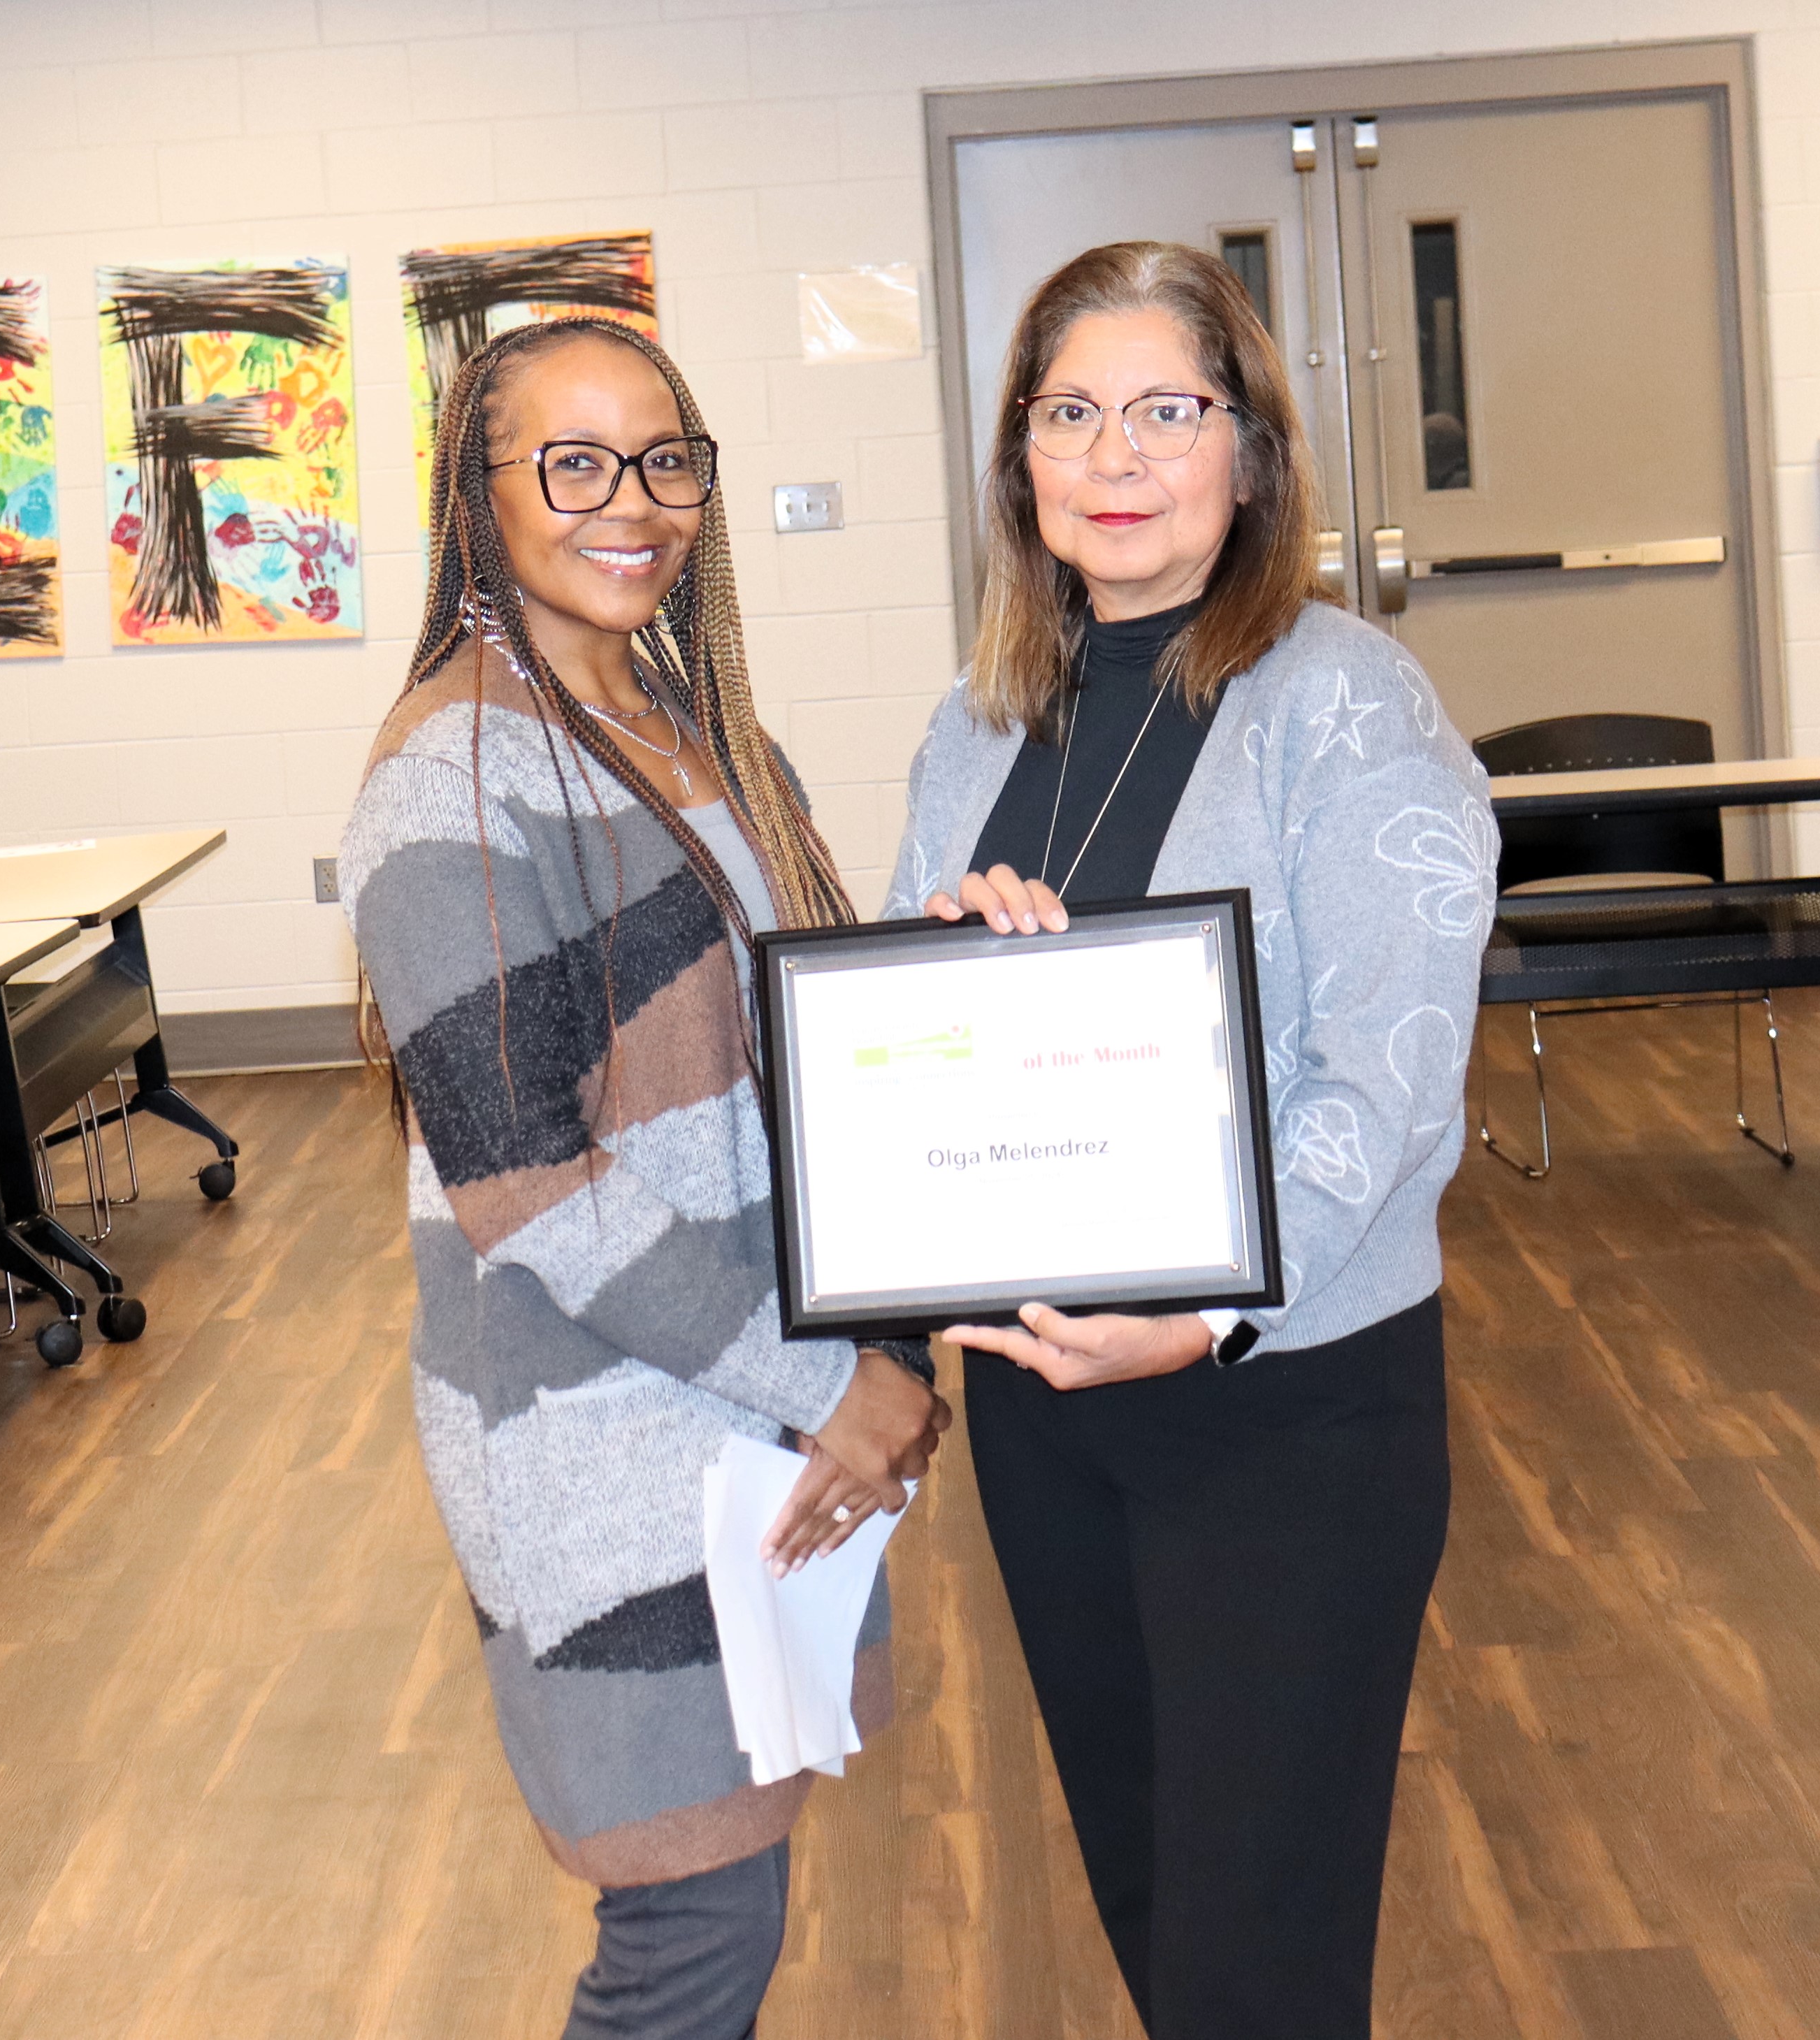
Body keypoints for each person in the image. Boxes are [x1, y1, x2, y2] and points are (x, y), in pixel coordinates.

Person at [883, 242, 1497, 2039]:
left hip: (1285, 1405)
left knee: (1259, 1949)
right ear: (1021, 462)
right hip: (1049, 1406)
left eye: (1168, 407)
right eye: (1070, 412)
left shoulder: (1346, 701)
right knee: (1158, 1900)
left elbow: (1385, 1075)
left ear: (1249, 448)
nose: (1116, 453)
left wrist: (1211, 1311)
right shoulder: (975, 721)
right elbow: (934, 1050)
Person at [340, 316, 952, 2040]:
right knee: (688, 1928)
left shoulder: (680, 717)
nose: (634, 501)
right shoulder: (452, 778)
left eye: (665, 458)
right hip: (599, 1445)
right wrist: (831, 1378)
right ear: (479, 496)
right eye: (574, 461)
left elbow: (794, 1043)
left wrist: (886, 1341)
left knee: (731, 1893)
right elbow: (526, 1180)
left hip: (744, 1407)